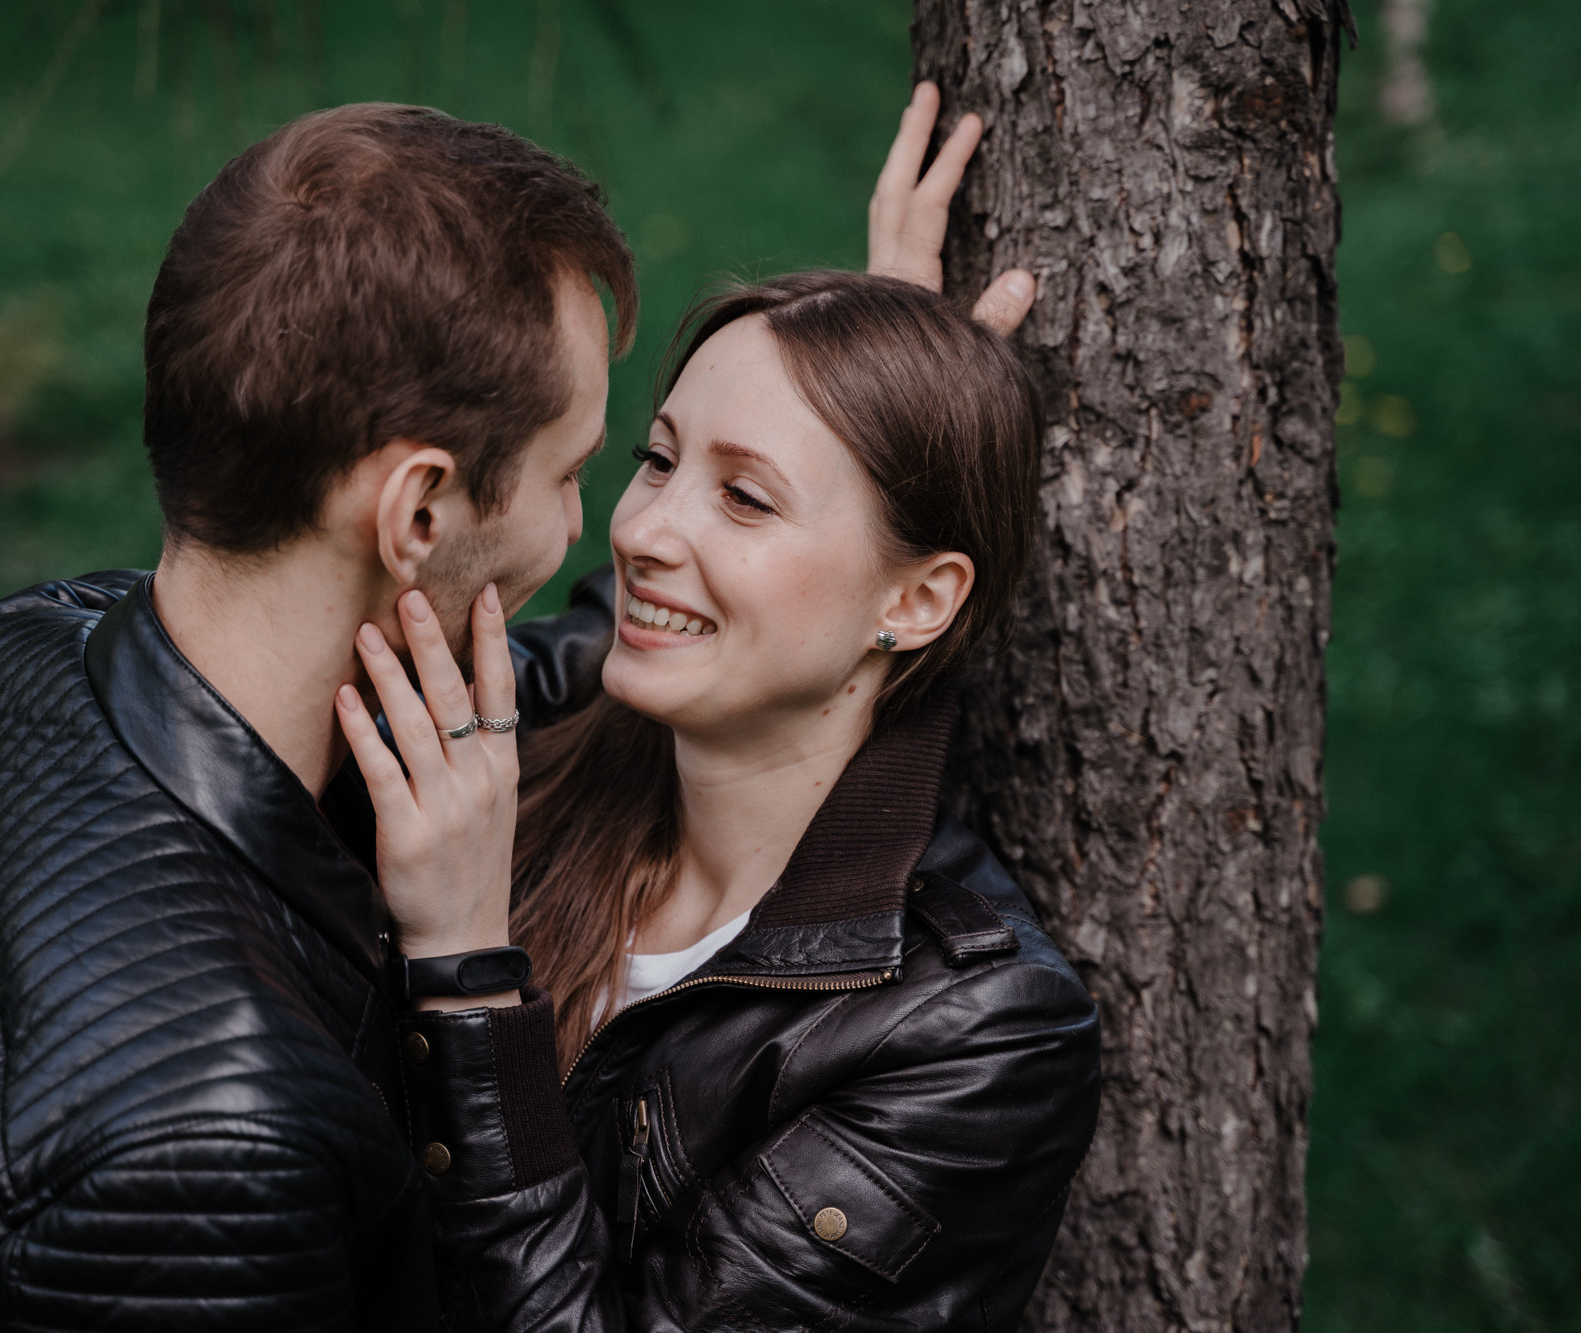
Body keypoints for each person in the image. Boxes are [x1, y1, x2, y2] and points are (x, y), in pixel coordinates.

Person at [0, 85, 1029, 1328]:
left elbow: (602, 658)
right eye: (591, 468)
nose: (609, 529)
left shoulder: (24, 654)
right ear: (416, 514)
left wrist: (887, 426)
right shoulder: (209, 1151)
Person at [342, 180, 1096, 1333]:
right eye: (656, 458)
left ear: (917, 596)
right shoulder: (541, 735)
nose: (641, 528)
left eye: (743, 496)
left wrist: (463, 970)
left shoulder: (975, 1037)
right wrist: (892, 384)